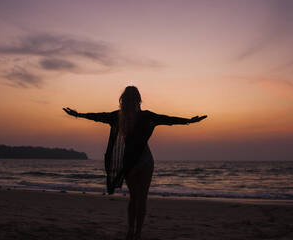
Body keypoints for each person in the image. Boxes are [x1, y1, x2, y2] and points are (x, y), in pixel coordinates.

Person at [63, 86, 207, 240]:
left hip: (141, 161)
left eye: (131, 99)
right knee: (138, 198)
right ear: (133, 100)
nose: (130, 101)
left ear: (130, 100)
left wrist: (189, 121)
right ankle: (135, 231)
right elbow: (98, 116)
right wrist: (78, 114)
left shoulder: (134, 116)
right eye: (129, 99)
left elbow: (167, 119)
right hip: (137, 161)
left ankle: (134, 231)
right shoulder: (121, 117)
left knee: (136, 198)